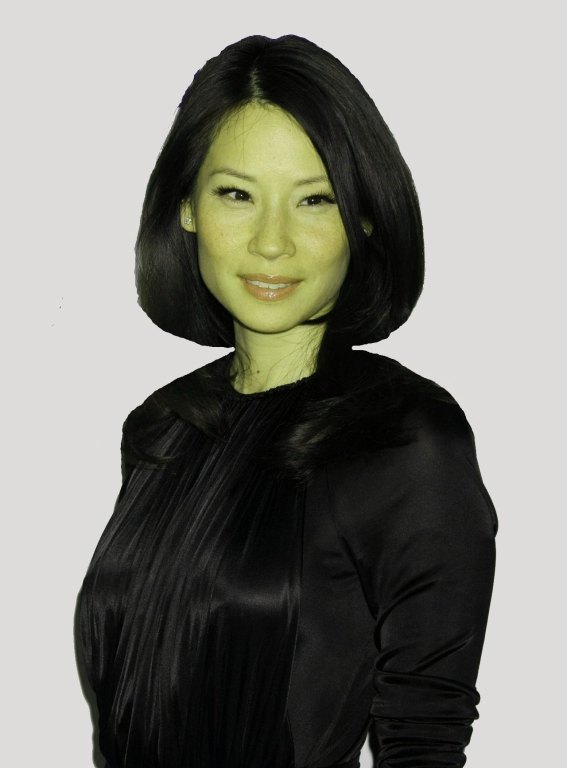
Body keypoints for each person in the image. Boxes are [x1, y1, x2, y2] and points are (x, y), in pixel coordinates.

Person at [77, 34, 498, 768]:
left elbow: (424, 734)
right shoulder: (163, 427)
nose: (272, 243)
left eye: (315, 199)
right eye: (236, 194)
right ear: (186, 207)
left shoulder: (405, 439)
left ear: (364, 219)